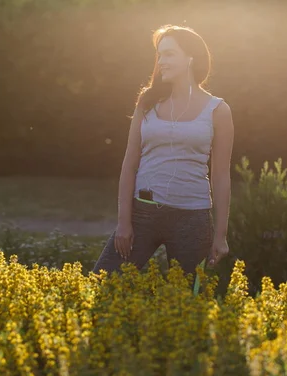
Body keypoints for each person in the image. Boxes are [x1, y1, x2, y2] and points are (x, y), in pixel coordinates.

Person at [92, 24, 234, 283]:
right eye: (159, 55)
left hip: (192, 218)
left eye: (168, 54)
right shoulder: (147, 102)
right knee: (103, 284)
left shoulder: (218, 111)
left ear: (190, 58)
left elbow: (221, 176)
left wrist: (220, 236)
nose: (161, 61)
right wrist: (124, 222)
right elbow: (129, 164)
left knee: (187, 305)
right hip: (142, 213)